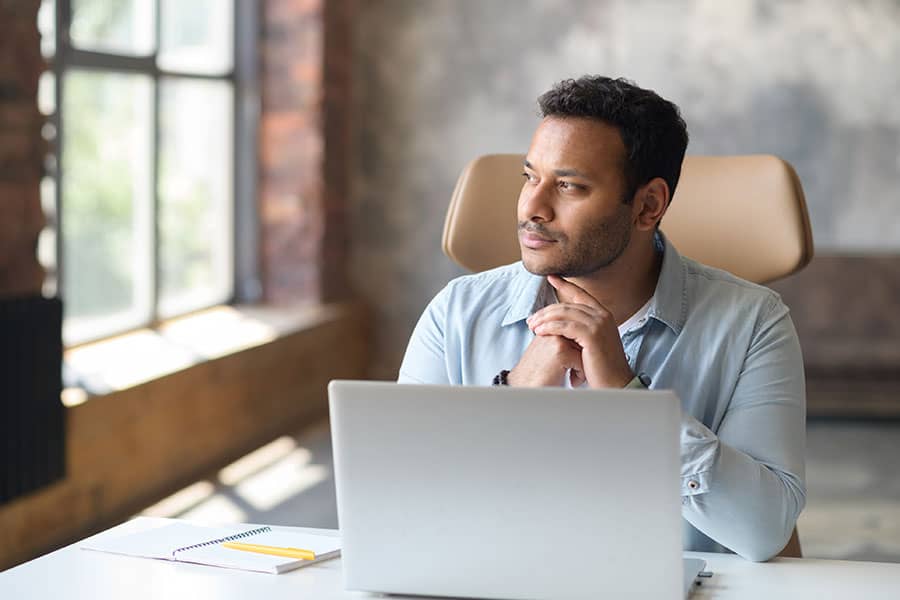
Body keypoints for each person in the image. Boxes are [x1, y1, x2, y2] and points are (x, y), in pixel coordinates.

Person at [398, 76, 805, 562]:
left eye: (568, 186)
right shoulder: (455, 313)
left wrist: (630, 401)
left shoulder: (754, 324)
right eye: (529, 177)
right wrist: (516, 393)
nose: (532, 207)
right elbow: (403, 511)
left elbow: (763, 531)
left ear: (648, 206)